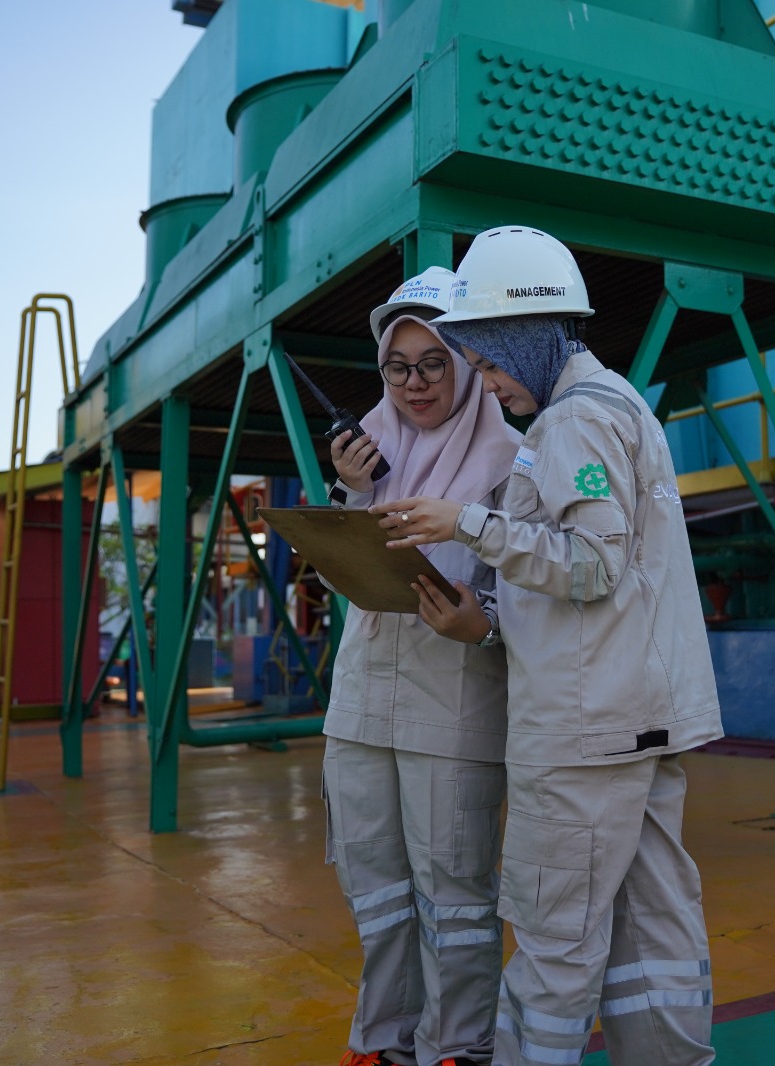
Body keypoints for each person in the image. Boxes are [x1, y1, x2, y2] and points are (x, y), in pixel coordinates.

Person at [377, 226, 722, 1066]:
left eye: (487, 364)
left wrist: (467, 524)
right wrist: (488, 619)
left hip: (579, 733)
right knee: (652, 932)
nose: (489, 386)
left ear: (525, 333)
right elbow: (604, 576)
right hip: (632, 720)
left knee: (552, 937)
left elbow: (592, 564)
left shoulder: (574, 423)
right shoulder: (619, 406)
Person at [322, 267, 522, 1066]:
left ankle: (457, 1048)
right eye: (398, 366)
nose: (414, 383)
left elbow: (537, 594)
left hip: (454, 707)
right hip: (362, 706)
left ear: (467, 363)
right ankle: (381, 1043)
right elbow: (342, 577)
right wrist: (349, 495)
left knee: (455, 897)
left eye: (434, 362)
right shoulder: (369, 460)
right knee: (374, 889)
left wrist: (484, 625)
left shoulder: (513, 463)